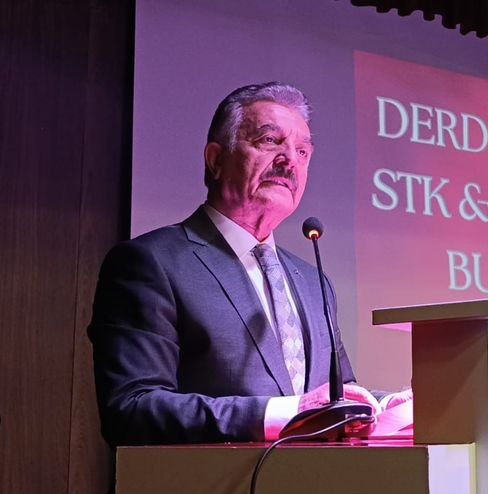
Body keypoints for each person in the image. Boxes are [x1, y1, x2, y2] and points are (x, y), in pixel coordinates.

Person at [89, 82, 407, 446]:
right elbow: (131, 409)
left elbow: (335, 395)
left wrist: (385, 406)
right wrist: (287, 414)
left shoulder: (311, 280)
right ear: (215, 159)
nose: (289, 160)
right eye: (270, 141)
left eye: (302, 151)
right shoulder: (150, 263)